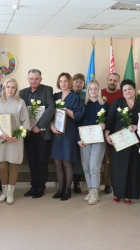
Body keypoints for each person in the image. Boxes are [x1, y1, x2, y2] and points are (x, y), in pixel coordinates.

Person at [105, 79, 140, 204]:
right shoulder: (118, 102)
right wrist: (107, 134)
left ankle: (129, 194)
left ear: (134, 90)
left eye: (130, 89)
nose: (127, 91)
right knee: (118, 168)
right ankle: (117, 193)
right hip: (119, 141)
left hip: (135, 142)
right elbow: (110, 119)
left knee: (133, 168)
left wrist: (137, 127)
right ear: (122, 92)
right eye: (125, 90)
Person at [0, 78, 30, 204]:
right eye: (8, 87)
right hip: (1, 138)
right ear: (4, 88)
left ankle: (11, 192)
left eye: (13, 87)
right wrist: (1, 134)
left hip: (15, 139)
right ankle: (4, 191)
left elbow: (25, 121)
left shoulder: (20, 102)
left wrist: (17, 135)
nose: (10, 89)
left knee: (13, 164)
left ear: (16, 89)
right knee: (2, 165)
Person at [19, 69, 55, 198]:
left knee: (41, 161)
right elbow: (20, 111)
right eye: (31, 78)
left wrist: (39, 125)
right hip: (28, 134)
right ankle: (33, 185)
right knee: (32, 161)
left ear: (41, 79)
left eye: (36, 78)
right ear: (28, 79)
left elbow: (51, 109)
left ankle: (41, 187)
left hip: (42, 133)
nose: (33, 81)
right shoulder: (22, 93)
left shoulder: (47, 90)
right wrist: (26, 123)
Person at [50, 72, 84, 201]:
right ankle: (60, 188)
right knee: (57, 162)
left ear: (69, 82)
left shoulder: (75, 97)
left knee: (66, 162)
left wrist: (66, 110)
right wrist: (52, 126)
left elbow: (79, 115)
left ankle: (67, 190)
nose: (63, 83)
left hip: (69, 133)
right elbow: (49, 114)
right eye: (61, 81)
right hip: (56, 132)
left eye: (65, 81)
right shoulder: (55, 96)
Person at [77, 80, 109, 205]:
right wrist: (78, 139)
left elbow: (110, 121)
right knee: (86, 166)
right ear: (87, 91)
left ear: (99, 90)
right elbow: (77, 123)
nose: (93, 91)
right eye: (90, 89)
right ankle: (90, 190)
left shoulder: (105, 105)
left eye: (95, 88)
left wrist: (105, 125)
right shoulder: (82, 105)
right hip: (84, 140)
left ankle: (95, 191)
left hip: (98, 140)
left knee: (94, 166)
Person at [101, 73, 123, 194]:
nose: (112, 82)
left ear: (118, 82)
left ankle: (109, 184)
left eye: (115, 80)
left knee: (113, 159)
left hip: (115, 131)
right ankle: (99, 183)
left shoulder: (121, 94)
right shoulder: (100, 92)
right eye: (110, 80)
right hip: (99, 130)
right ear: (107, 80)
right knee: (101, 159)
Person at [71, 73, 86, 193]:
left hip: (81, 130)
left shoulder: (86, 96)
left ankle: (77, 183)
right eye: (76, 81)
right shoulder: (67, 94)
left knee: (79, 159)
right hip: (68, 129)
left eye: (81, 82)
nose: (78, 84)